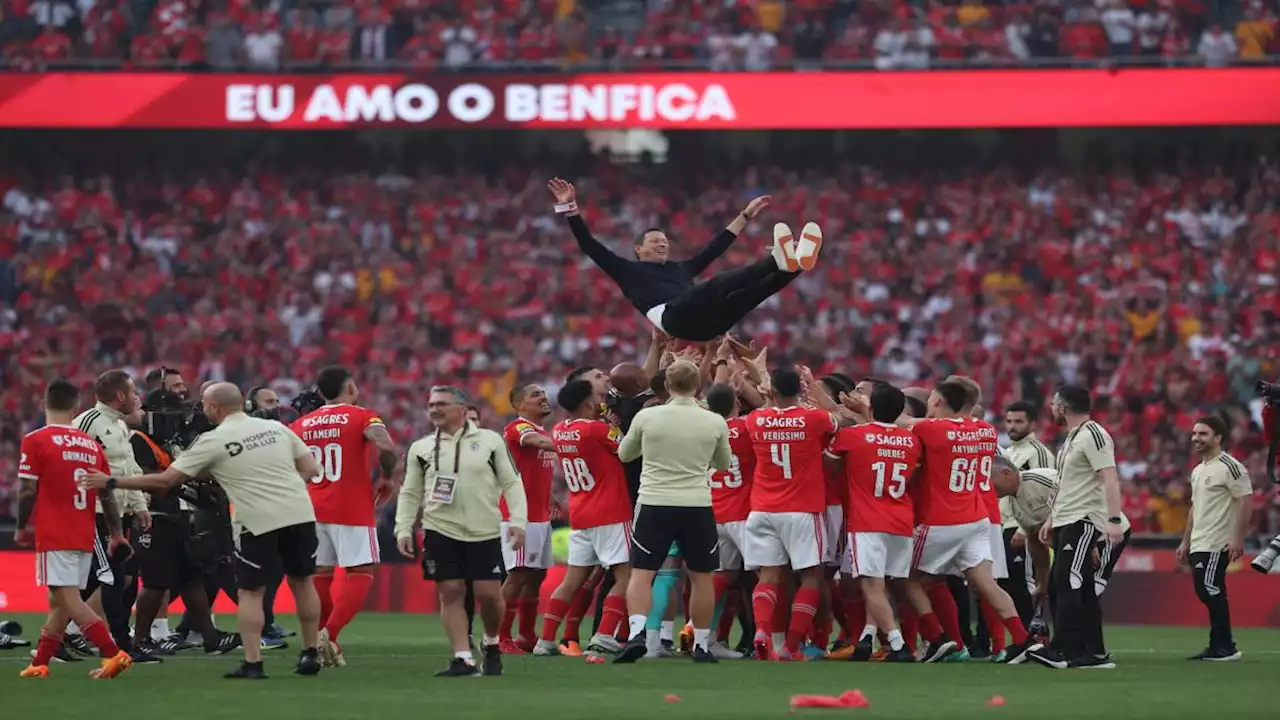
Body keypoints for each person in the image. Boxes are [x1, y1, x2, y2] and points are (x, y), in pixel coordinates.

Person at [81, 382, 326, 680]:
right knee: (303, 582)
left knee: (250, 592)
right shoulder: (278, 429)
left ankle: (253, 663)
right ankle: (310, 652)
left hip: (257, 520)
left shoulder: (214, 439)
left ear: (213, 408)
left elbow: (165, 482)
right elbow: (311, 469)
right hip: (300, 512)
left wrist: (111, 482)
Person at [549, 177, 822, 342]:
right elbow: (589, 244)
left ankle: (794, 265)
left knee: (749, 296)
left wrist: (746, 216)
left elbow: (716, 247)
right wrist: (569, 207)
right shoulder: (625, 270)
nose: (662, 244)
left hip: (707, 327)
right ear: (638, 250)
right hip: (673, 318)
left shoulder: (681, 268)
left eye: (664, 241)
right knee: (717, 285)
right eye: (655, 241)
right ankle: (776, 259)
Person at [394, 385, 528, 678]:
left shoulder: (491, 441)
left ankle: (491, 643)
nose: (434, 409)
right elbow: (410, 491)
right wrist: (403, 526)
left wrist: (518, 521)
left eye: (441, 403)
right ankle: (462, 658)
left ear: (462, 409)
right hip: (439, 528)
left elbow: (512, 483)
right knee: (451, 591)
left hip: (484, 529)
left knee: (489, 595)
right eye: (431, 405)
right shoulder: (421, 447)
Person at [907, 380, 1040, 665]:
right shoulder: (986, 430)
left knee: (904, 577)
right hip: (976, 519)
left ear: (939, 403)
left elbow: (900, 421)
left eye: (932, 399)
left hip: (942, 519)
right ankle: (1021, 639)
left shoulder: (931, 429)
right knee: (986, 584)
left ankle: (938, 639)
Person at [15, 380, 134, 680]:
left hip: (55, 532)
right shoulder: (90, 445)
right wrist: (116, 533)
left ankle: (113, 654)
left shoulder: (36, 439)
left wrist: (20, 526)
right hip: (85, 532)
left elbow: (28, 490)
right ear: (76, 406)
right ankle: (40, 662)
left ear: (45, 403)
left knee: (68, 598)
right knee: (62, 602)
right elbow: (106, 493)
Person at [614, 360, 731, 663]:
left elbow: (625, 453)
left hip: (654, 501)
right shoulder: (714, 421)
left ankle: (637, 633)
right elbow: (722, 464)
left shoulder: (648, 416)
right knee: (701, 576)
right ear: (697, 386)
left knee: (642, 573)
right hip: (696, 504)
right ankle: (702, 644)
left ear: (666, 385)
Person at [293, 366, 398, 667]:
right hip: (350, 506)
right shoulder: (362, 416)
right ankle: (331, 634)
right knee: (360, 571)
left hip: (310, 508)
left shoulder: (301, 424)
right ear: (350, 387)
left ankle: (318, 643)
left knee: (320, 574)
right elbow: (386, 447)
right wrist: (387, 477)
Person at [1028, 385, 1126, 670]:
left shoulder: (1094, 435)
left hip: (1082, 520)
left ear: (1062, 407)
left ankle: (1063, 650)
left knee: (1067, 581)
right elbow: (1065, 485)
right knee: (1076, 587)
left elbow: (1109, 477)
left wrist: (1114, 519)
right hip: (1065, 519)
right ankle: (1090, 652)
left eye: (1054, 404)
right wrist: (1050, 519)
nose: (1051, 409)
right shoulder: (1073, 437)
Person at [742, 367, 837, 661]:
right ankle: (792, 647)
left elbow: (766, 409)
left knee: (768, 576)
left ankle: (762, 632)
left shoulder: (755, 420)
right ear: (799, 389)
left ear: (772, 392)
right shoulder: (815, 418)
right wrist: (813, 388)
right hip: (802, 509)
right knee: (811, 576)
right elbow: (838, 420)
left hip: (762, 509)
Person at [533, 380, 634, 657]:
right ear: (588, 404)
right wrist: (613, 424)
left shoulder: (559, 431)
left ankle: (545, 640)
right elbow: (629, 449)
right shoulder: (598, 430)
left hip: (580, 512)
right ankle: (604, 634)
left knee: (571, 580)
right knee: (626, 576)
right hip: (611, 512)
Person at [825, 383, 918, 662]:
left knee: (869, 583)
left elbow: (829, 466)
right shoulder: (911, 440)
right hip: (901, 520)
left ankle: (898, 644)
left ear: (871, 407)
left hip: (867, 521)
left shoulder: (853, 436)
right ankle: (867, 636)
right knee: (883, 582)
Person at [71, 370, 150, 658]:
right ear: (119, 396)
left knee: (98, 578)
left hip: (120, 511)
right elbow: (70, 466)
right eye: (131, 392)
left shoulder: (118, 426)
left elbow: (129, 470)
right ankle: (121, 645)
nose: (135, 397)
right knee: (113, 577)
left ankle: (58, 636)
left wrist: (139, 506)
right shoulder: (87, 422)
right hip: (98, 512)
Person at [1176, 416, 1252, 662]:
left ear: (1218, 437)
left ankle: (1224, 646)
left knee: (1208, 588)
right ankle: (1220, 644)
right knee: (1210, 589)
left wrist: (1238, 539)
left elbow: (1245, 501)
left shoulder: (1231, 466)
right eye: (1195, 433)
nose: (1196, 438)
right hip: (1199, 541)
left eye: (1203, 433)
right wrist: (1185, 541)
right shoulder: (1198, 470)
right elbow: (1194, 508)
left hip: (1217, 541)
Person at [498, 384, 556, 653]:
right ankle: (498, 637)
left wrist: (550, 494)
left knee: (536, 576)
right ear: (520, 406)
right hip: (518, 516)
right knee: (517, 575)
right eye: (535, 395)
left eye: (543, 393)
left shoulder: (542, 430)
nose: (543, 397)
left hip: (539, 515)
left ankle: (526, 636)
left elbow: (532, 469)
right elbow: (536, 443)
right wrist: (573, 441)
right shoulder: (518, 427)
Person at [703, 382, 754, 658]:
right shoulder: (747, 427)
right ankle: (768, 639)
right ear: (736, 402)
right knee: (766, 576)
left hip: (712, 511)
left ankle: (703, 636)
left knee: (721, 575)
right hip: (743, 513)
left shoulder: (701, 430)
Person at [999, 400, 1055, 628]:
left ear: (1032, 424)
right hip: (1005, 524)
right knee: (1010, 584)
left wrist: (1024, 530)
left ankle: (1036, 632)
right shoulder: (1007, 453)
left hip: (1025, 527)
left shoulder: (1039, 453)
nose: (1012, 426)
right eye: (1009, 421)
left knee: (1025, 582)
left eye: (1019, 421)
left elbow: (1046, 494)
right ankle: (1022, 635)